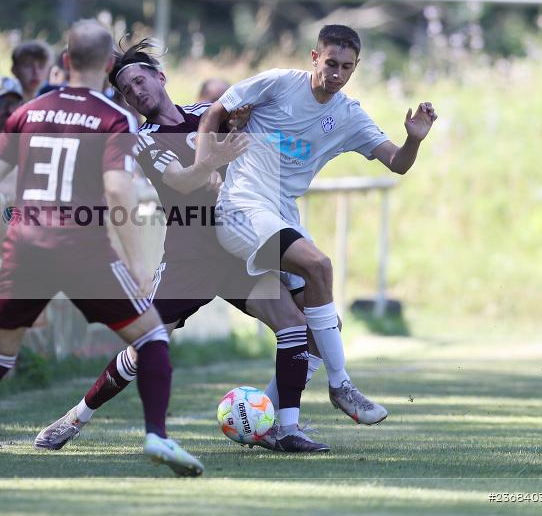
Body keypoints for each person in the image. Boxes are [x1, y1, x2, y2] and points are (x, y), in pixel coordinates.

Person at [0, 20, 204, 478]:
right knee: (152, 338)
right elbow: (119, 193)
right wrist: (137, 265)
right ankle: (157, 435)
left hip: (27, 247)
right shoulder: (111, 117)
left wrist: (3, 239)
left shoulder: (28, 111)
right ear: (107, 67)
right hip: (83, 249)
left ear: (64, 62)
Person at [34, 39, 328, 453]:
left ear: (161, 77)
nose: (136, 92)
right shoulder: (143, 140)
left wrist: (241, 126)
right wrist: (209, 164)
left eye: (140, 80)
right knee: (144, 348)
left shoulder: (204, 116)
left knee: (293, 324)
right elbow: (180, 180)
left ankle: (287, 428)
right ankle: (74, 419)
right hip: (189, 257)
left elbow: (248, 143)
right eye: (126, 90)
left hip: (238, 247)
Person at [197, 24, 439, 424]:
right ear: (315, 57)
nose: (337, 74)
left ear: (356, 66)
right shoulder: (277, 84)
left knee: (321, 327)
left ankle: (268, 417)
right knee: (320, 265)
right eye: (331, 63)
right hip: (240, 206)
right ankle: (341, 385)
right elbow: (214, 112)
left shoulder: (348, 115)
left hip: (281, 214)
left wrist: (414, 139)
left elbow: (397, 163)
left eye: (347, 66)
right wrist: (203, 163)